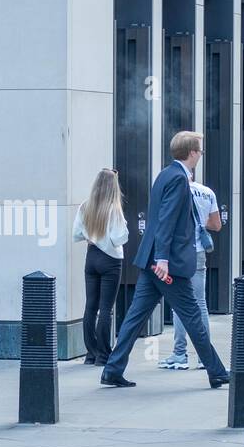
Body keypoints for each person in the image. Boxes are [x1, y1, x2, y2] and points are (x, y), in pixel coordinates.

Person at [100, 131, 230, 389]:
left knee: (135, 317)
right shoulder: (179, 179)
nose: (201, 155)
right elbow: (167, 220)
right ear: (192, 153)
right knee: (192, 315)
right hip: (167, 263)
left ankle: (112, 369)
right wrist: (163, 259)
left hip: (153, 260)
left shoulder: (165, 175)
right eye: (200, 151)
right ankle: (216, 372)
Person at [159, 166, 222, 370]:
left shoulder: (176, 191)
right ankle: (205, 357)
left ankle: (179, 353)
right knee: (200, 303)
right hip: (199, 251)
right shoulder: (207, 192)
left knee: (180, 303)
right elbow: (216, 225)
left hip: (179, 253)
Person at [74, 168, 130, 366]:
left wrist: (92, 237)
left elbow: (76, 233)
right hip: (110, 260)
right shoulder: (114, 210)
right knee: (106, 308)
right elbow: (119, 238)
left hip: (91, 258)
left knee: (90, 307)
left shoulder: (85, 206)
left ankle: (91, 354)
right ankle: (104, 355)